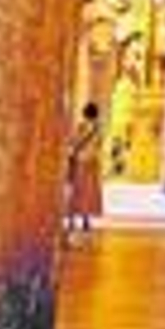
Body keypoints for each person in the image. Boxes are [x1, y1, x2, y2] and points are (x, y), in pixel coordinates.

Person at [65, 101, 104, 240]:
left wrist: (72, 151)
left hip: (80, 161)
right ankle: (85, 220)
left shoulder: (81, 126)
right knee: (88, 192)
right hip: (92, 162)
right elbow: (99, 144)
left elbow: (74, 141)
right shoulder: (99, 128)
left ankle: (71, 221)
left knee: (77, 191)